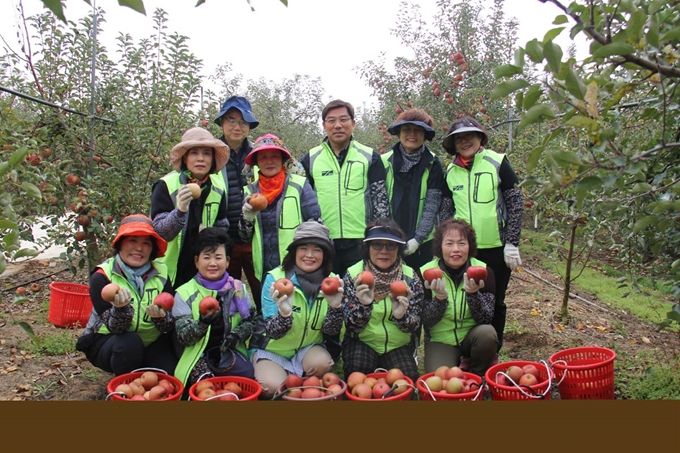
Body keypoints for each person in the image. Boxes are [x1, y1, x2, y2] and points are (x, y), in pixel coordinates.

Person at [440, 116, 523, 355]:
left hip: (496, 249)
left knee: (495, 301)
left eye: (469, 136)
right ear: (453, 144)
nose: (465, 141)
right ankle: (468, 351)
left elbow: (515, 202)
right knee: (468, 299)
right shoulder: (451, 172)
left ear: (480, 138)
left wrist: (512, 242)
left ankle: (491, 351)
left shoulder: (497, 162)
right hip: (465, 250)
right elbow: (447, 212)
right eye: (459, 139)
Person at [248, 220, 343, 399]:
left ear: (325, 255)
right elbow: (272, 332)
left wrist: (335, 307)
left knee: (323, 364)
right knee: (272, 387)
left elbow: (330, 330)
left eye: (317, 249)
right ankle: (283, 375)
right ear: (294, 252)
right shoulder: (275, 279)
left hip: (307, 348)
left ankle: (300, 378)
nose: (309, 255)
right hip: (272, 351)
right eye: (303, 248)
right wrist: (285, 314)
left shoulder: (332, 282)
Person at [75, 214, 178, 376]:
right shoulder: (102, 277)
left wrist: (161, 318)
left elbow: (168, 325)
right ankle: (124, 385)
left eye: (146, 243)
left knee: (168, 371)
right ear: (120, 244)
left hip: (150, 342)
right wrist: (121, 309)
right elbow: (115, 328)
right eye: (133, 240)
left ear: (152, 249)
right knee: (129, 344)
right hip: (109, 342)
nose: (139, 248)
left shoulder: (162, 274)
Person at [300, 99, 390, 277]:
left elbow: (380, 202)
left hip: (360, 241)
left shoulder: (370, 157)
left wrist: (377, 237)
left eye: (343, 119)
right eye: (331, 121)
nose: (338, 125)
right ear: (324, 125)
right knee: (326, 295)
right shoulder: (310, 159)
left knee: (361, 294)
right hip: (323, 240)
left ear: (353, 123)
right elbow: (304, 202)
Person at [239, 134, 321, 312]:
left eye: (274, 156)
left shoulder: (299, 185)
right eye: (263, 157)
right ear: (256, 162)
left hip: (297, 267)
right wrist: (247, 218)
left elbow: (315, 225)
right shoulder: (248, 192)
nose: (269, 161)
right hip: (264, 270)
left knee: (298, 314)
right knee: (270, 316)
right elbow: (244, 236)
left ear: (283, 159)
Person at [172, 227, 257, 390]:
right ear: (197, 261)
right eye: (206, 257)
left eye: (218, 257)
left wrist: (236, 335)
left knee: (246, 377)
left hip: (227, 350)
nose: (212, 263)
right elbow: (183, 337)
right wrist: (202, 324)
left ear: (227, 261)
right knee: (205, 386)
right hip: (196, 354)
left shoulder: (238, 289)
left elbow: (251, 320)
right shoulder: (184, 293)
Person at [341, 218, 423, 383]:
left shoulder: (410, 277)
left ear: (399, 249)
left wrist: (401, 316)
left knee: (406, 378)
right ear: (367, 248)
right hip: (363, 341)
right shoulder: (354, 275)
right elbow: (350, 326)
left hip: (397, 344)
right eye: (377, 244)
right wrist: (364, 306)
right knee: (357, 373)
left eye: (391, 245)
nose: (384, 251)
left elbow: (415, 325)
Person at [150, 127, 230, 290]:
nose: (200, 159)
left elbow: (222, 225)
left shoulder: (218, 188)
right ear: (185, 157)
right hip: (168, 272)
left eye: (206, 153)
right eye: (194, 153)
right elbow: (159, 232)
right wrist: (179, 211)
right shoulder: (166, 186)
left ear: (213, 158)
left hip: (202, 271)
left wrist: (211, 233)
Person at [420, 219, 498, 376]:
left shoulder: (483, 271)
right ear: (440, 247)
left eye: (461, 243)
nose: (456, 249)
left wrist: (474, 295)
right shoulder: (425, 273)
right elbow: (426, 321)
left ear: (469, 246)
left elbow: (486, 318)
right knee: (441, 380)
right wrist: (440, 299)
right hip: (441, 340)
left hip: (471, 338)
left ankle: (477, 374)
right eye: (449, 244)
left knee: (487, 333)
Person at [214, 95, 262, 305]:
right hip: (224, 239)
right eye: (232, 120)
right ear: (222, 123)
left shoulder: (260, 154)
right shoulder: (210, 155)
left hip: (255, 237)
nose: (237, 126)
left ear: (249, 126)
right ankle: (231, 335)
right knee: (227, 294)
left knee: (263, 290)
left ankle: (265, 331)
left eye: (243, 122)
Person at [383, 108, 445, 271]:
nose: (412, 134)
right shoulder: (383, 162)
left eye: (418, 130)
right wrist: (385, 234)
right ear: (399, 132)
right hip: (387, 240)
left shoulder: (433, 164)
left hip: (422, 243)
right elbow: (378, 201)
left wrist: (418, 239)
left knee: (421, 287)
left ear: (425, 135)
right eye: (407, 129)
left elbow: (432, 205)